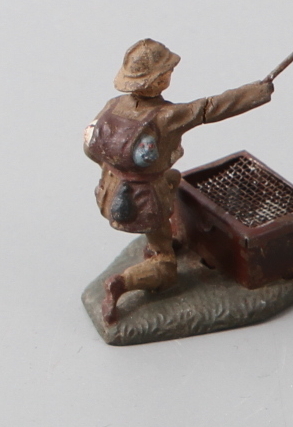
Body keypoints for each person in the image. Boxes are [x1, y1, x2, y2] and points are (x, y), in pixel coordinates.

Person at [84, 39, 273, 323]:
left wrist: (117, 172)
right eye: (167, 72)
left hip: (109, 191)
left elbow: (90, 147)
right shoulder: (166, 116)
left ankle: (163, 237)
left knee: (173, 178)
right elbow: (210, 108)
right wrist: (257, 92)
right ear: (159, 80)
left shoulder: (112, 106)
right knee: (166, 266)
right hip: (145, 199)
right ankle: (124, 281)